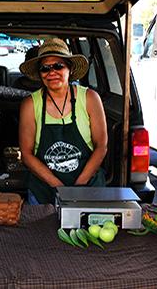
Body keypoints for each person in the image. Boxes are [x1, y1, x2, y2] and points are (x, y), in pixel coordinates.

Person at [18, 38, 108, 204]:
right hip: (44, 189)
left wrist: (79, 187)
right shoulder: (30, 104)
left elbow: (101, 146)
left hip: (87, 186)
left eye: (58, 66)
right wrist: (59, 188)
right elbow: (27, 154)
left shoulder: (89, 98)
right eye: (45, 68)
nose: (52, 72)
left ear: (70, 69)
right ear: (40, 74)